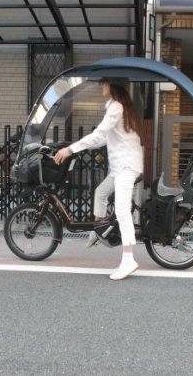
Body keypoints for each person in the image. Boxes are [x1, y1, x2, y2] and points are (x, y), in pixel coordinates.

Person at [53, 78, 143, 280]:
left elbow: (100, 133)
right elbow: (102, 138)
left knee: (121, 210)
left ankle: (128, 259)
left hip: (126, 167)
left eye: (103, 83)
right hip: (121, 166)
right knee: (100, 193)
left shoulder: (116, 107)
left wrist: (70, 149)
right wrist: (79, 147)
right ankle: (97, 231)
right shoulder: (118, 107)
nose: (100, 86)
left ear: (113, 85)